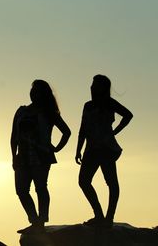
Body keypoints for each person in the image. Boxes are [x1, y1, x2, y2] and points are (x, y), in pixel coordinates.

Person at [11, 80, 71, 233]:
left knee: (41, 188)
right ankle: (34, 220)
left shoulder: (49, 113)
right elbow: (13, 136)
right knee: (21, 190)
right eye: (32, 90)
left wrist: (56, 148)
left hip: (41, 156)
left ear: (43, 95)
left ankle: (41, 222)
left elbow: (66, 132)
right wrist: (13, 156)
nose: (33, 94)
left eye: (37, 91)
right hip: (23, 156)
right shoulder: (21, 111)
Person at [76, 75, 133, 228]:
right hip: (91, 149)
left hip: (106, 148)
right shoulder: (87, 106)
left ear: (103, 88)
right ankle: (99, 215)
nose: (92, 87)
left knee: (111, 182)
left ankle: (109, 218)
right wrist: (78, 149)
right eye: (92, 84)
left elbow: (128, 115)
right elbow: (83, 129)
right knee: (83, 181)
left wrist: (115, 131)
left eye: (95, 85)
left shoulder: (109, 103)